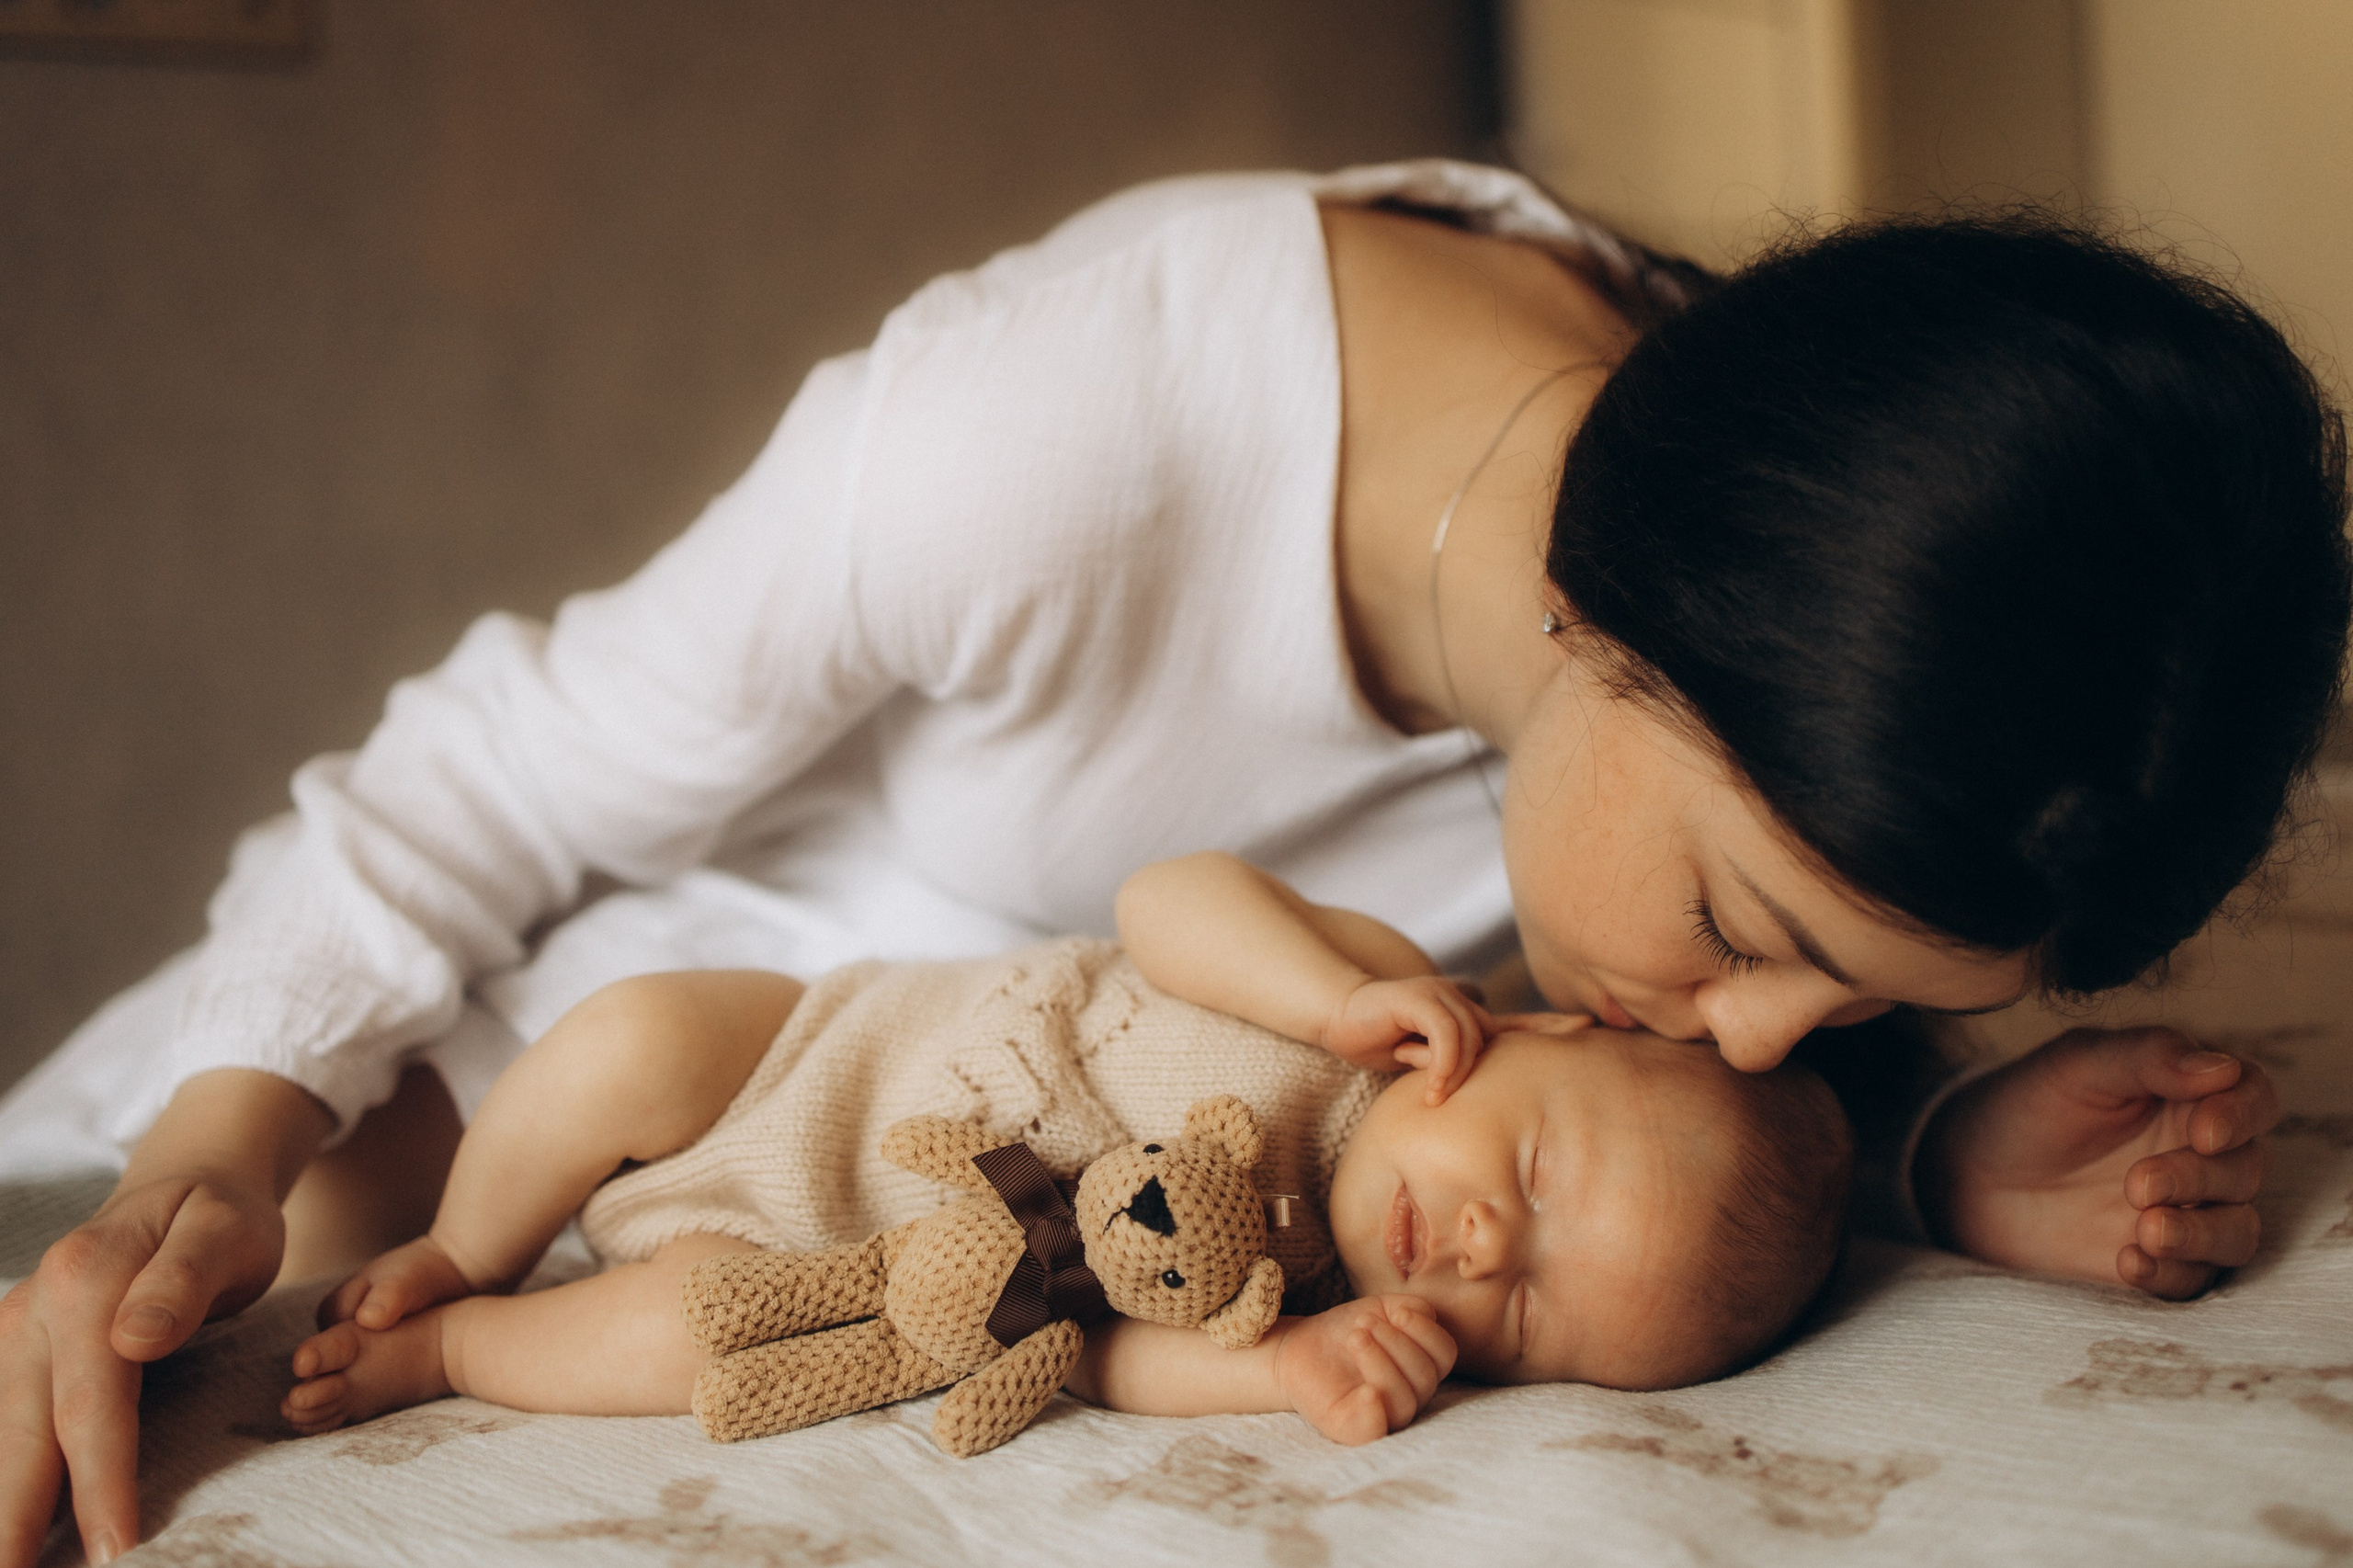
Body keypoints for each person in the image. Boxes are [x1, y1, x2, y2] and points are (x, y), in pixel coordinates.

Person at [0, 157, 2339, 1566]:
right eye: (1746, 938)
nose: (1744, 1029)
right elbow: (467, 799)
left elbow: (1625, 1163)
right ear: (1618, 625)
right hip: (438, 1086)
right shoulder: (1063, 437)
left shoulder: (1811, 687)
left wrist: (1922, 1148)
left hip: (915, 1272)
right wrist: (205, 1148)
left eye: (1834, 1008)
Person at [276, 854, 1851, 1440]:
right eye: (1541, 1179)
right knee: (626, 1034)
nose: (1491, 1251)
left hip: (845, 1262)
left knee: (693, 1331)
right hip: (802, 1059)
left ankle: (465, 1346)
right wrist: (1336, 986)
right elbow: (1166, 899)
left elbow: (1101, 1357)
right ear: (1561, 1035)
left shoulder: (1292, 1294)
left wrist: (1280, 1373)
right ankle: (466, 1240)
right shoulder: (1369, 992)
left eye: (1528, 1325)